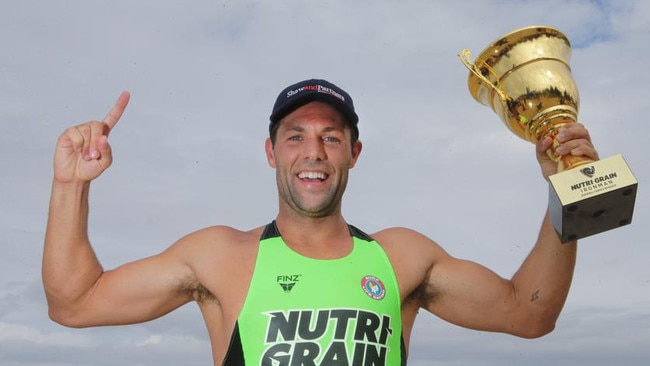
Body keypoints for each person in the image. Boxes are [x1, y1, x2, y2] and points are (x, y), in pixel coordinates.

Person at [43, 79, 598, 365]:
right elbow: (75, 303)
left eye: (331, 137)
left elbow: (530, 314)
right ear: (271, 152)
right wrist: (71, 185)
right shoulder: (219, 257)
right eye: (296, 137)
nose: (314, 152)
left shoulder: (402, 258)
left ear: (354, 153)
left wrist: (565, 188)